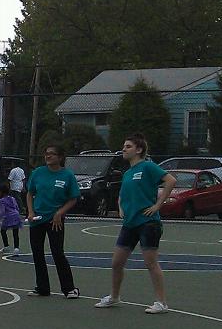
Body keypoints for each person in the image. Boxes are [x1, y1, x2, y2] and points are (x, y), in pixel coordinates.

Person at [95, 133, 177, 314]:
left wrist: (157, 205)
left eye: (128, 146)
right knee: (117, 262)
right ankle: (114, 296)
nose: (124, 149)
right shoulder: (127, 173)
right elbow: (122, 194)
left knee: (151, 263)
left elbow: (171, 180)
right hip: (130, 224)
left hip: (148, 223)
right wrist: (121, 207)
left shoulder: (148, 166)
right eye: (124, 146)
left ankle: (161, 302)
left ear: (139, 150)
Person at [26, 144, 80, 298]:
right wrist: (30, 211)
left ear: (60, 157)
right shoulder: (38, 173)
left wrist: (60, 213)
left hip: (55, 220)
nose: (48, 156)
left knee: (57, 253)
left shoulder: (67, 175)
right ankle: (42, 288)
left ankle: (69, 288)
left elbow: (73, 198)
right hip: (37, 219)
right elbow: (30, 193)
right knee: (37, 253)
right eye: (46, 153)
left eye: (52, 154)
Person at [0, 183, 22, 256]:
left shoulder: (2, 200)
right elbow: (17, 207)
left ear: (2, 192)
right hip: (16, 215)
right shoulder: (12, 198)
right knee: (15, 233)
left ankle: (6, 246)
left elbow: (2, 211)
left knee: (3, 231)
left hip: (8, 217)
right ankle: (16, 248)